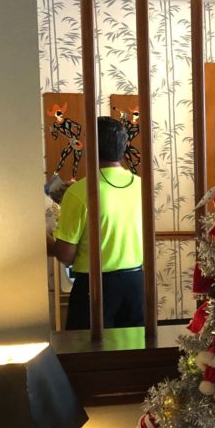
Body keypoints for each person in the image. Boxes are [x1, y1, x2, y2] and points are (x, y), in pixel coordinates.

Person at [52, 116, 144, 330]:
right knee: (136, 346)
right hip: (136, 285)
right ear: (124, 146)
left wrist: (46, 241)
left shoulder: (79, 192)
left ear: (90, 148)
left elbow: (66, 255)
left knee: (87, 348)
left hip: (94, 288)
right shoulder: (142, 186)